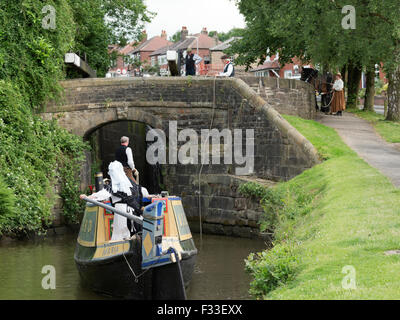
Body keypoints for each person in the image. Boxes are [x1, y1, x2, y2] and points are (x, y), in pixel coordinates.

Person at [80, 161, 150, 240]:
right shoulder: (129, 184)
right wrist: (149, 196)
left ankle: (125, 247)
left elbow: (102, 194)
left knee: (119, 236)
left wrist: (88, 197)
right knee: (127, 233)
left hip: (121, 212)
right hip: (132, 212)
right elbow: (141, 191)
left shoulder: (114, 186)